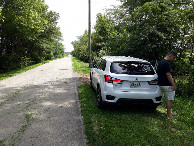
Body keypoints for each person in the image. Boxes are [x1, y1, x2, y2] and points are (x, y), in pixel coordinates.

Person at [157, 51, 177, 118]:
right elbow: (168, 74)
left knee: (168, 98)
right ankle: (169, 114)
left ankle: (169, 113)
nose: (173, 59)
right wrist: (173, 85)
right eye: (173, 58)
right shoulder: (167, 63)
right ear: (170, 55)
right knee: (170, 99)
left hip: (160, 83)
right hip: (167, 84)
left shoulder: (160, 62)